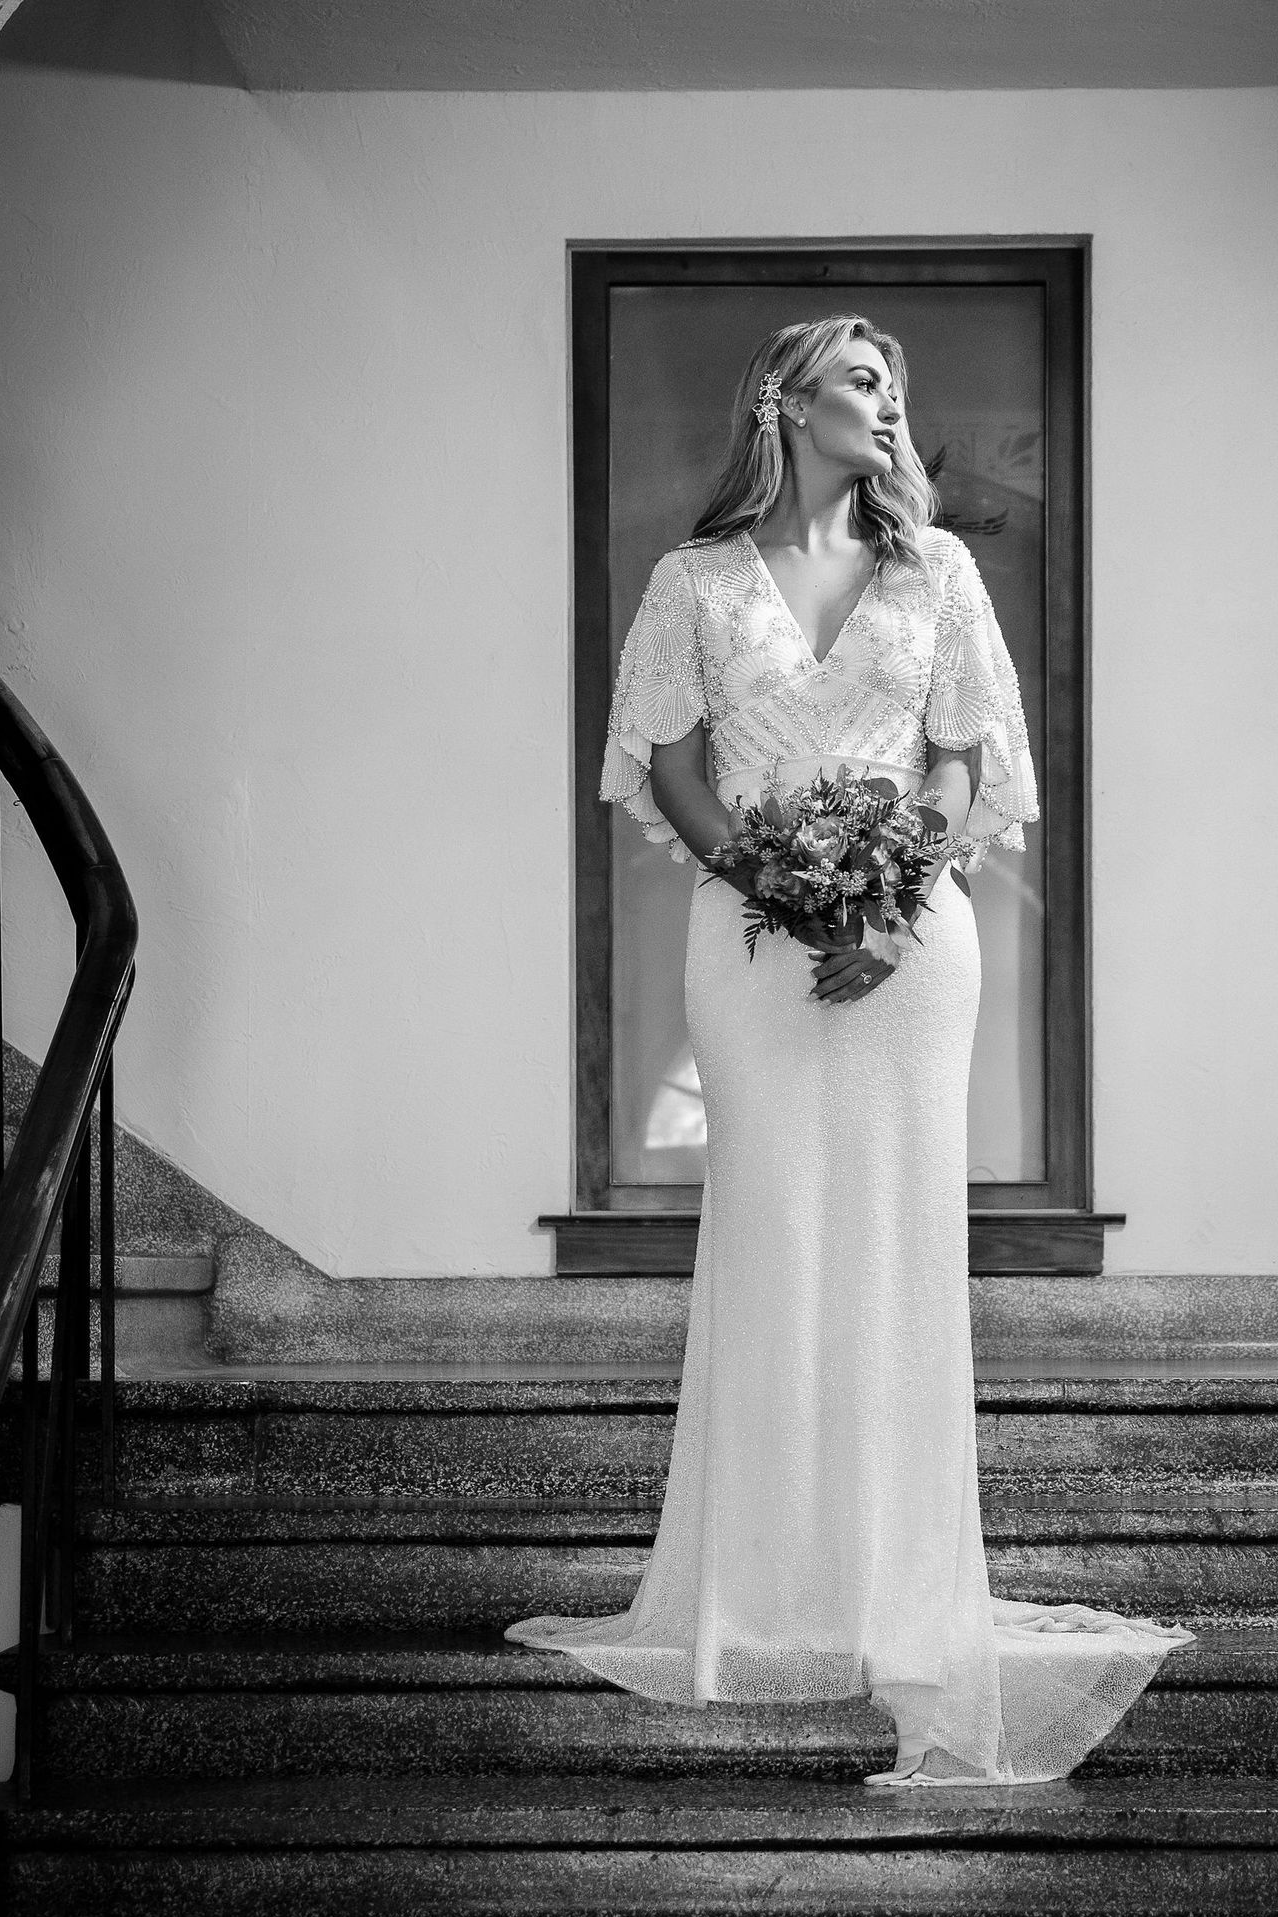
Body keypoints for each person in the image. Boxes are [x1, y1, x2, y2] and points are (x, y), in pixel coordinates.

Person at [509, 316, 1190, 1781]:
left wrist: (889, 898)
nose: (889, 406)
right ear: (784, 398)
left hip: (912, 939)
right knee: (772, 1234)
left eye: (895, 385)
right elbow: (673, 767)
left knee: (893, 1245)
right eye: (865, 380)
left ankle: (899, 1592)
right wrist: (778, 885)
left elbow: (960, 757)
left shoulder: (933, 572)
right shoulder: (693, 582)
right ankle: (761, 1594)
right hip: (751, 941)